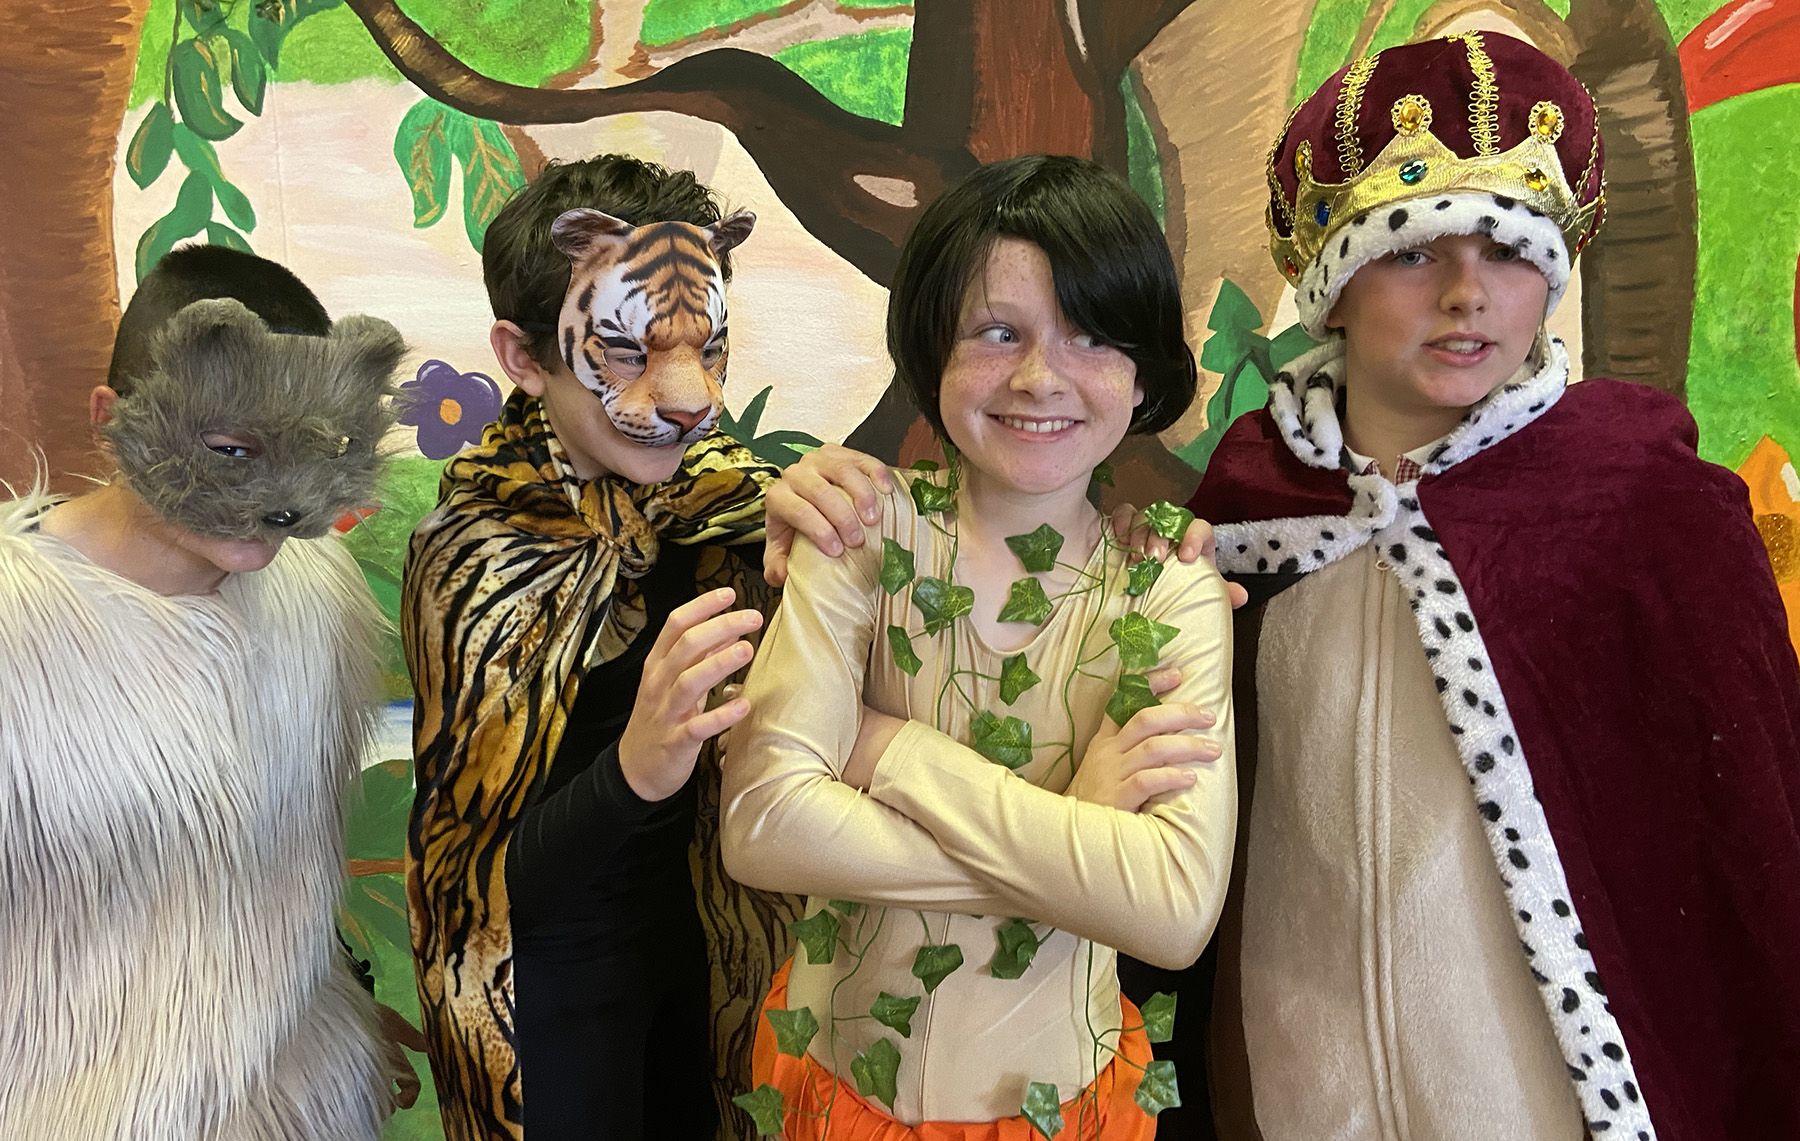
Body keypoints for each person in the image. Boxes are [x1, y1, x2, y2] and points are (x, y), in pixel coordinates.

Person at [1184, 31, 1800, 1140]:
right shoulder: (1244, 520)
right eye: (1416, 252)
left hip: (1542, 1102)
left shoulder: (1648, 512)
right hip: (1295, 1084)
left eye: (1510, 252)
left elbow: (1752, 860)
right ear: (1332, 284)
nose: (1469, 294)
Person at [722, 153, 1237, 1139]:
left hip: (1067, 1106)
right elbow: (764, 827)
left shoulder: (1170, 585)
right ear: (934, 351)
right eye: (997, 332)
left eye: (1093, 336)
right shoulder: (860, 533)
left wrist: (886, 751)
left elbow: (1170, 908)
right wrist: (1076, 832)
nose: (1042, 376)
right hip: (834, 1090)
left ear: (1143, 371)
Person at [401, 153, 903, 1141]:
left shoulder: (730, 495)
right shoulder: (473, 556)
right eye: (628, 351)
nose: (687, 397)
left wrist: (1141, 553)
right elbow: (480, 886)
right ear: (524, 353)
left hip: (719, 985)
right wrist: (637, 765)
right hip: (548, 1025)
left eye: (706, 347)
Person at [0, 244, 409, 1138]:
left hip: (303, 1096)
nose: (280, 498)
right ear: (112, 417)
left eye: (313, 452)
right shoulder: (14, 627)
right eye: (231, 450)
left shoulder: (317, 594)